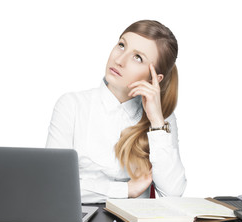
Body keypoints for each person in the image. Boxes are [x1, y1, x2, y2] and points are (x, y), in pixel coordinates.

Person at [46, 20, 187, 203]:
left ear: (155, 78)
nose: (119, 60)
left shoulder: (161, 118)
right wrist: (126, 189)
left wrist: (157, 123)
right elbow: (53, 185)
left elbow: (173, 193)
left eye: (138, 58)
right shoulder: (72, 105)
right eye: (122, 45)